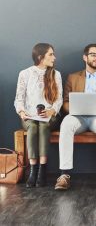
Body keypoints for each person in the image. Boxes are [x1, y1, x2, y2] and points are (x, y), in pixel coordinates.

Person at [54, 43, 96, 190]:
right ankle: (64, 175)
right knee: (66, 123)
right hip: (79, 117)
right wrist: (73, 108)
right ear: (85, 57)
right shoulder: (72, 77)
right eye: (93, 55)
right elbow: (65, 102)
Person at [14, 43, 63, 188]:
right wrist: (22, 112)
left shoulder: (56, 74)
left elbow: (59, 98)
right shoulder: (25, 73)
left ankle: (42, 168)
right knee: (33, 128)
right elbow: (19, 98)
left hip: (50, 116)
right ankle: (33, 170)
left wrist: (51, 111)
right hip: (29, 115)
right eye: (51, 54)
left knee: (43, 126)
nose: (54, 57)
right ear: (41, 57)